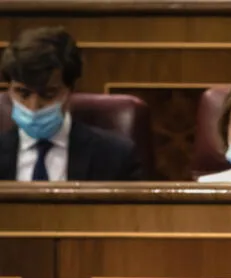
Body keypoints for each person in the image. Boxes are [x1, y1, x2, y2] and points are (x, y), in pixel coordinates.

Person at [0, 27, 141, 181]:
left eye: (48, 94)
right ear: (9, 90)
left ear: (70, 90)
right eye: (23, 93)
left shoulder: (115, 156)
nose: (33, 107)